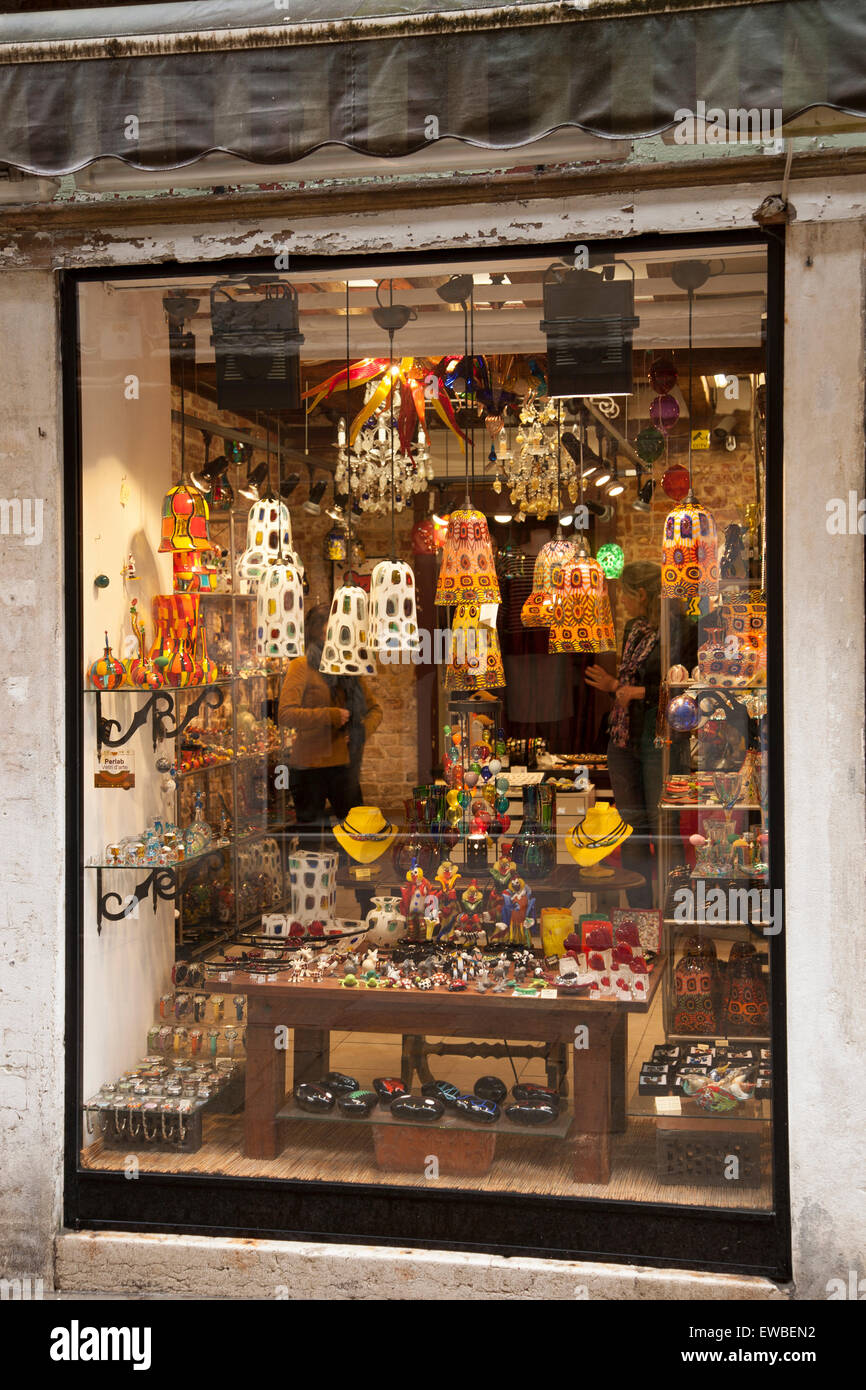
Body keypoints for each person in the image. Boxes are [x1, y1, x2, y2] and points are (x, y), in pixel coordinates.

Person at [585, 561, 664, 908]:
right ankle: (641, 910)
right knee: (631, 828)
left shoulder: (674, 629)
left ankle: (670, 910)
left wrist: (625, 689)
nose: (622, 604)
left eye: (626, 596)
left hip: (653, 738)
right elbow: (626, 685)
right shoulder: (634, 628)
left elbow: (679, 686)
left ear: (642, 594)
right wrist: (615, 687)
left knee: (662, 827)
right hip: (622, 738)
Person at [278, 604, 382, 833]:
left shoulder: (347, 665)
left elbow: (375, 710)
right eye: (328, 630)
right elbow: (286, 713)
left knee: (357, 835)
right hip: (309, 766)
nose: (334, 636)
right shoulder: (301, 666)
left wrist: (360, 732)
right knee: (312, 839)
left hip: (344, 766)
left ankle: (352, 871)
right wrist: (330, 716)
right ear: (315, 631)